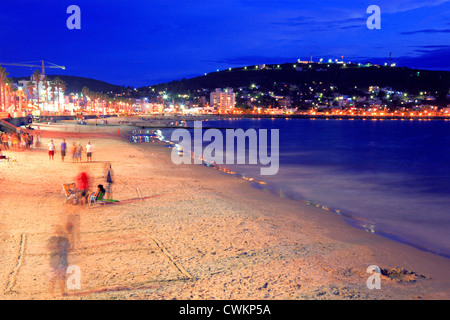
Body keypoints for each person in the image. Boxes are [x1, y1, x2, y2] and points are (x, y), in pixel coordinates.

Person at [47, 225, 71, 297]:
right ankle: (62, 292)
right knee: (62, 277)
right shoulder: (65, 240)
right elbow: (69, 249)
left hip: (53, 262)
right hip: (62, 262)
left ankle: (51, 294)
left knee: (52, 278)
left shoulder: (51, 239)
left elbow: (48, 248)